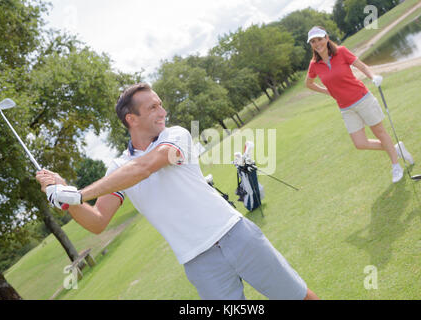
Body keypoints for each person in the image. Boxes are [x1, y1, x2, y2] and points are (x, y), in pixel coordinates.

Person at [36, 83, 319, 300]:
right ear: (131, 119)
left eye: (161, 105)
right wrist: (65, 196)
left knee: (298, 296)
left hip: (236, 236)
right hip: (198, 261)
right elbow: (98, 221)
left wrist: (79, 194)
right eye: (153, 108)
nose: (163, 112)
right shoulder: (118, 167)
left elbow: (146, 167)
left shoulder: (175, 136)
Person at [305, 26, 414, 183]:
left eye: (319, 39)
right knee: (360, 143)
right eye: (313, 42)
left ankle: (396, 165)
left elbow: (361, 66)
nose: (317, 44)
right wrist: (328, 92)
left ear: (327, 38)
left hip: (363, 99)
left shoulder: (341, 51)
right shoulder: (314, 64)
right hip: (345, 108)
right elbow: (309, 83)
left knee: (380, 133)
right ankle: (396, 149)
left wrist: (372, 76)